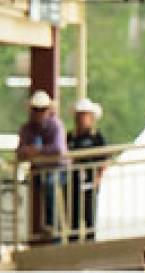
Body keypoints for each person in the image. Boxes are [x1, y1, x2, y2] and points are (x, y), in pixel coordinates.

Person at [15, 90, 69, 238]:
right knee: (25, 188)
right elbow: (20, 150)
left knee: (50, 184)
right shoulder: (26, 128)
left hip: (58, 169)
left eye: (42, 109)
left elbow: (58, 149)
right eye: (36, 109)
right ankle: (29, 230)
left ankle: (52, 226)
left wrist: (36, 151)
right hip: (38, 170)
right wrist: (32, 151)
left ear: (48, 110)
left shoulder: (56, 125)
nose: (39, 113)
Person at [67, 98, 107, 239]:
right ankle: (73, 241)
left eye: (85, 115)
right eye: (79, 115)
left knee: (89, 214)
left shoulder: (97, 138)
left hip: (90, 182)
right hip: (73, 182)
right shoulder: (70, 137)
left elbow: (104, 160)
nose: (82, 118)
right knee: (74, 215)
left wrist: (98, 178)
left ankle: (90, 240)